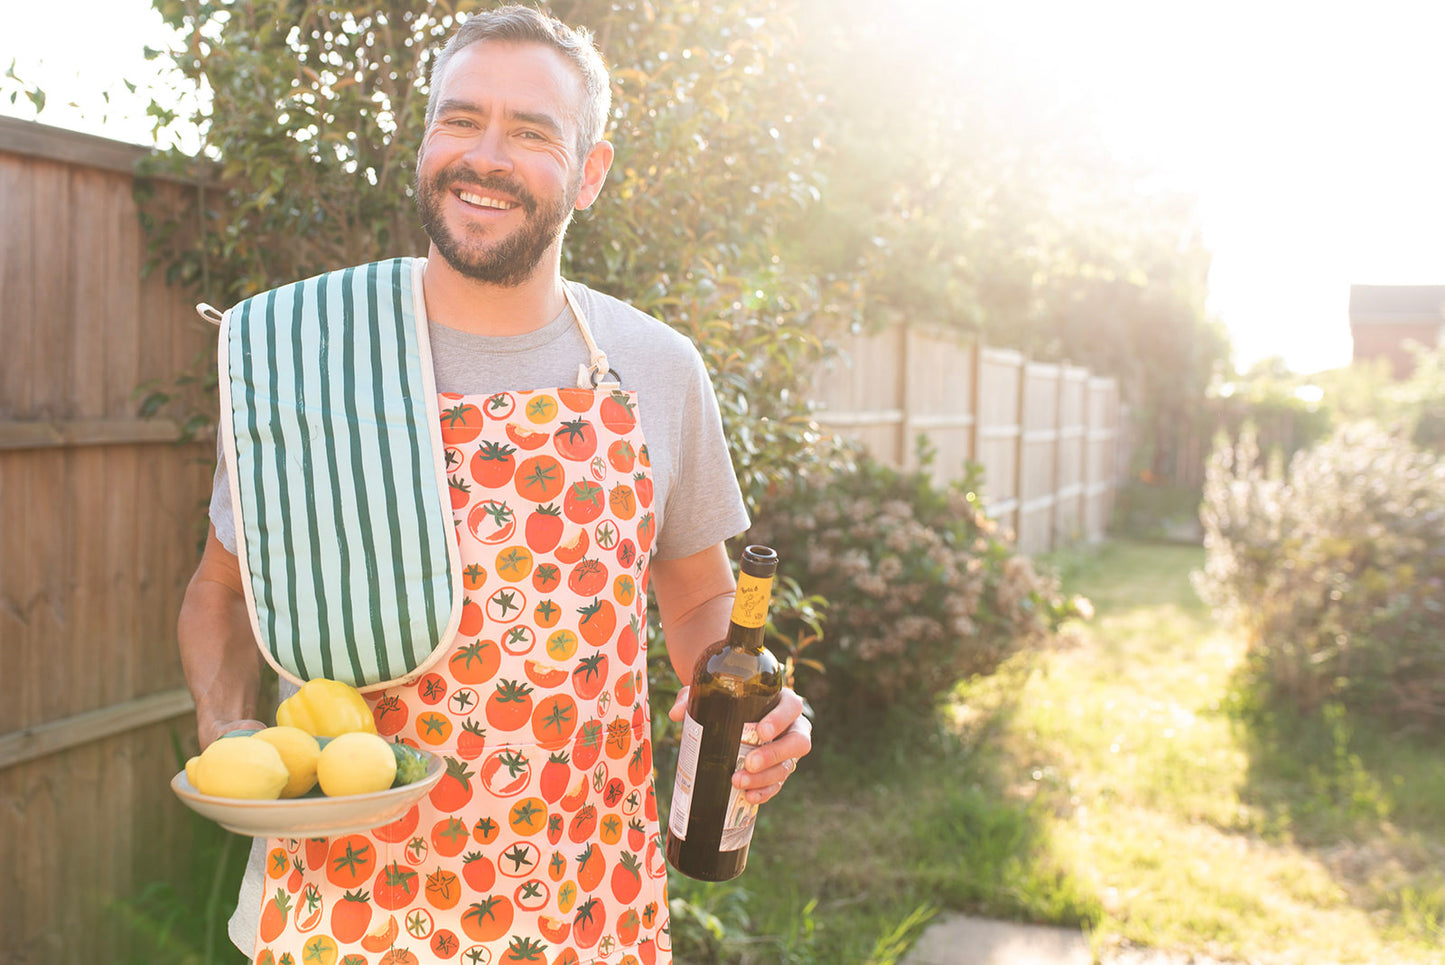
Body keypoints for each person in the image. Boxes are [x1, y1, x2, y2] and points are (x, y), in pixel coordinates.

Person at [176, 6, 813, 964]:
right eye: (460, 118)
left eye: (532, 131)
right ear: (425, 138)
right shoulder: (310, 357)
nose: (485, 154)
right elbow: (221, 590)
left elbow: (699, 596)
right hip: (346, 912)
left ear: (590, 173)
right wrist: (230, 734)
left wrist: (749, 710)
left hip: (582, 902)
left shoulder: (657, 366)